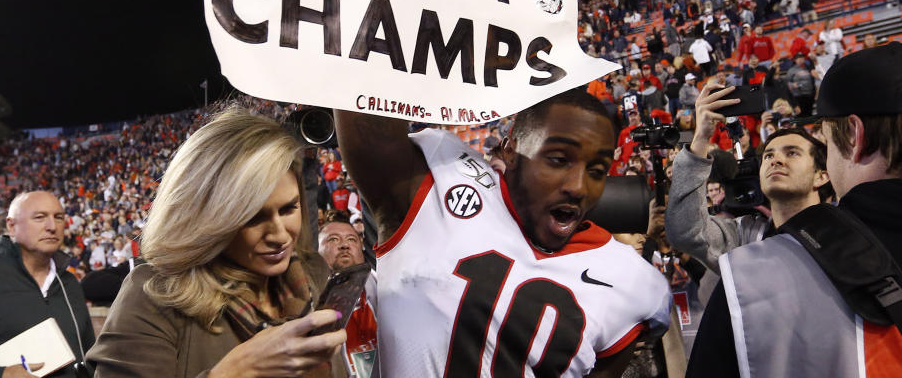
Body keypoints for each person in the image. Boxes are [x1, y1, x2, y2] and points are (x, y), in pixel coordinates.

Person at [334, 87, 670, 378]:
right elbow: (362, 91)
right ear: (510, 151)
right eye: (557, 159)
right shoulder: (441, 179)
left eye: (597, 170)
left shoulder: (633, 282)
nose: (578, 186)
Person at [686, 42, 902, 377]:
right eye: (770, 154)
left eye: (827, 142)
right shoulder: (749, 241)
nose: (776, 161)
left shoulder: (751, 280)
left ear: (855, 137)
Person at [86, 108, 347, 378]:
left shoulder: (313, 276)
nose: (279, 235)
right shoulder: (155, 296)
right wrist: (236, 371)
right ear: (206, 216)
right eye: (253, 217)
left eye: (288, 209)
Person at [664, 83, 831, 272]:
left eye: (792, 153)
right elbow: (685, 231)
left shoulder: (844, 229)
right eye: (768, 155)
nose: (775, 161)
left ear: (822, 175)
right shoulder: (744, 237)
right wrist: (701, 137)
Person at [0, 191, 96, 378]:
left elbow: (89, 355)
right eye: (39, 217)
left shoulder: (69, 284)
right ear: (12, 226)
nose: (52, 226)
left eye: (59, 217)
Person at [317, 220, 378, 378]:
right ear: (316, 250)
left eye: (352, 239)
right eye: (333, 239)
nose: (344, 245)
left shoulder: (382, 283)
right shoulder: (309, 298)